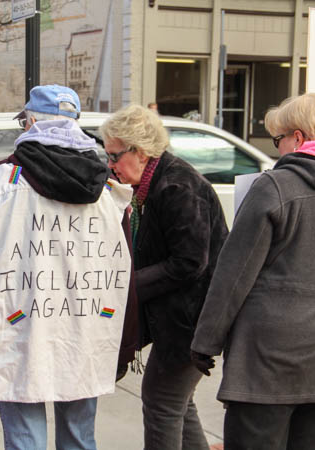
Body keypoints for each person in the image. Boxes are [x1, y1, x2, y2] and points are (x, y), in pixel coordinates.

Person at [190, 92, 315, 450]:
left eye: (277, 139)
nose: (277, 148)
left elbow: (234, 275)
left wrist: (206, 341)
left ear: (297, 137)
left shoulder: (275, 187)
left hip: (270, 359)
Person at [0, 84, 138, 450]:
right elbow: (122, 271)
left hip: (23, 325)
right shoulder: (108, 189)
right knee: (80, 436)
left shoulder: (3, 181)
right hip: (86, 329)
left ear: (32, 122)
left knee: (25, 438)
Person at [99, 104, 228, 450]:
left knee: (162, 402)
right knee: (176, 405)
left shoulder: (177, 186)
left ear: (139, 152)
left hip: (191, 321)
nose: (110, 165)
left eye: (113, 156)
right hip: (184, 318)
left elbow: (189, 262)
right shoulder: (156, 183)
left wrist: (127, 285)